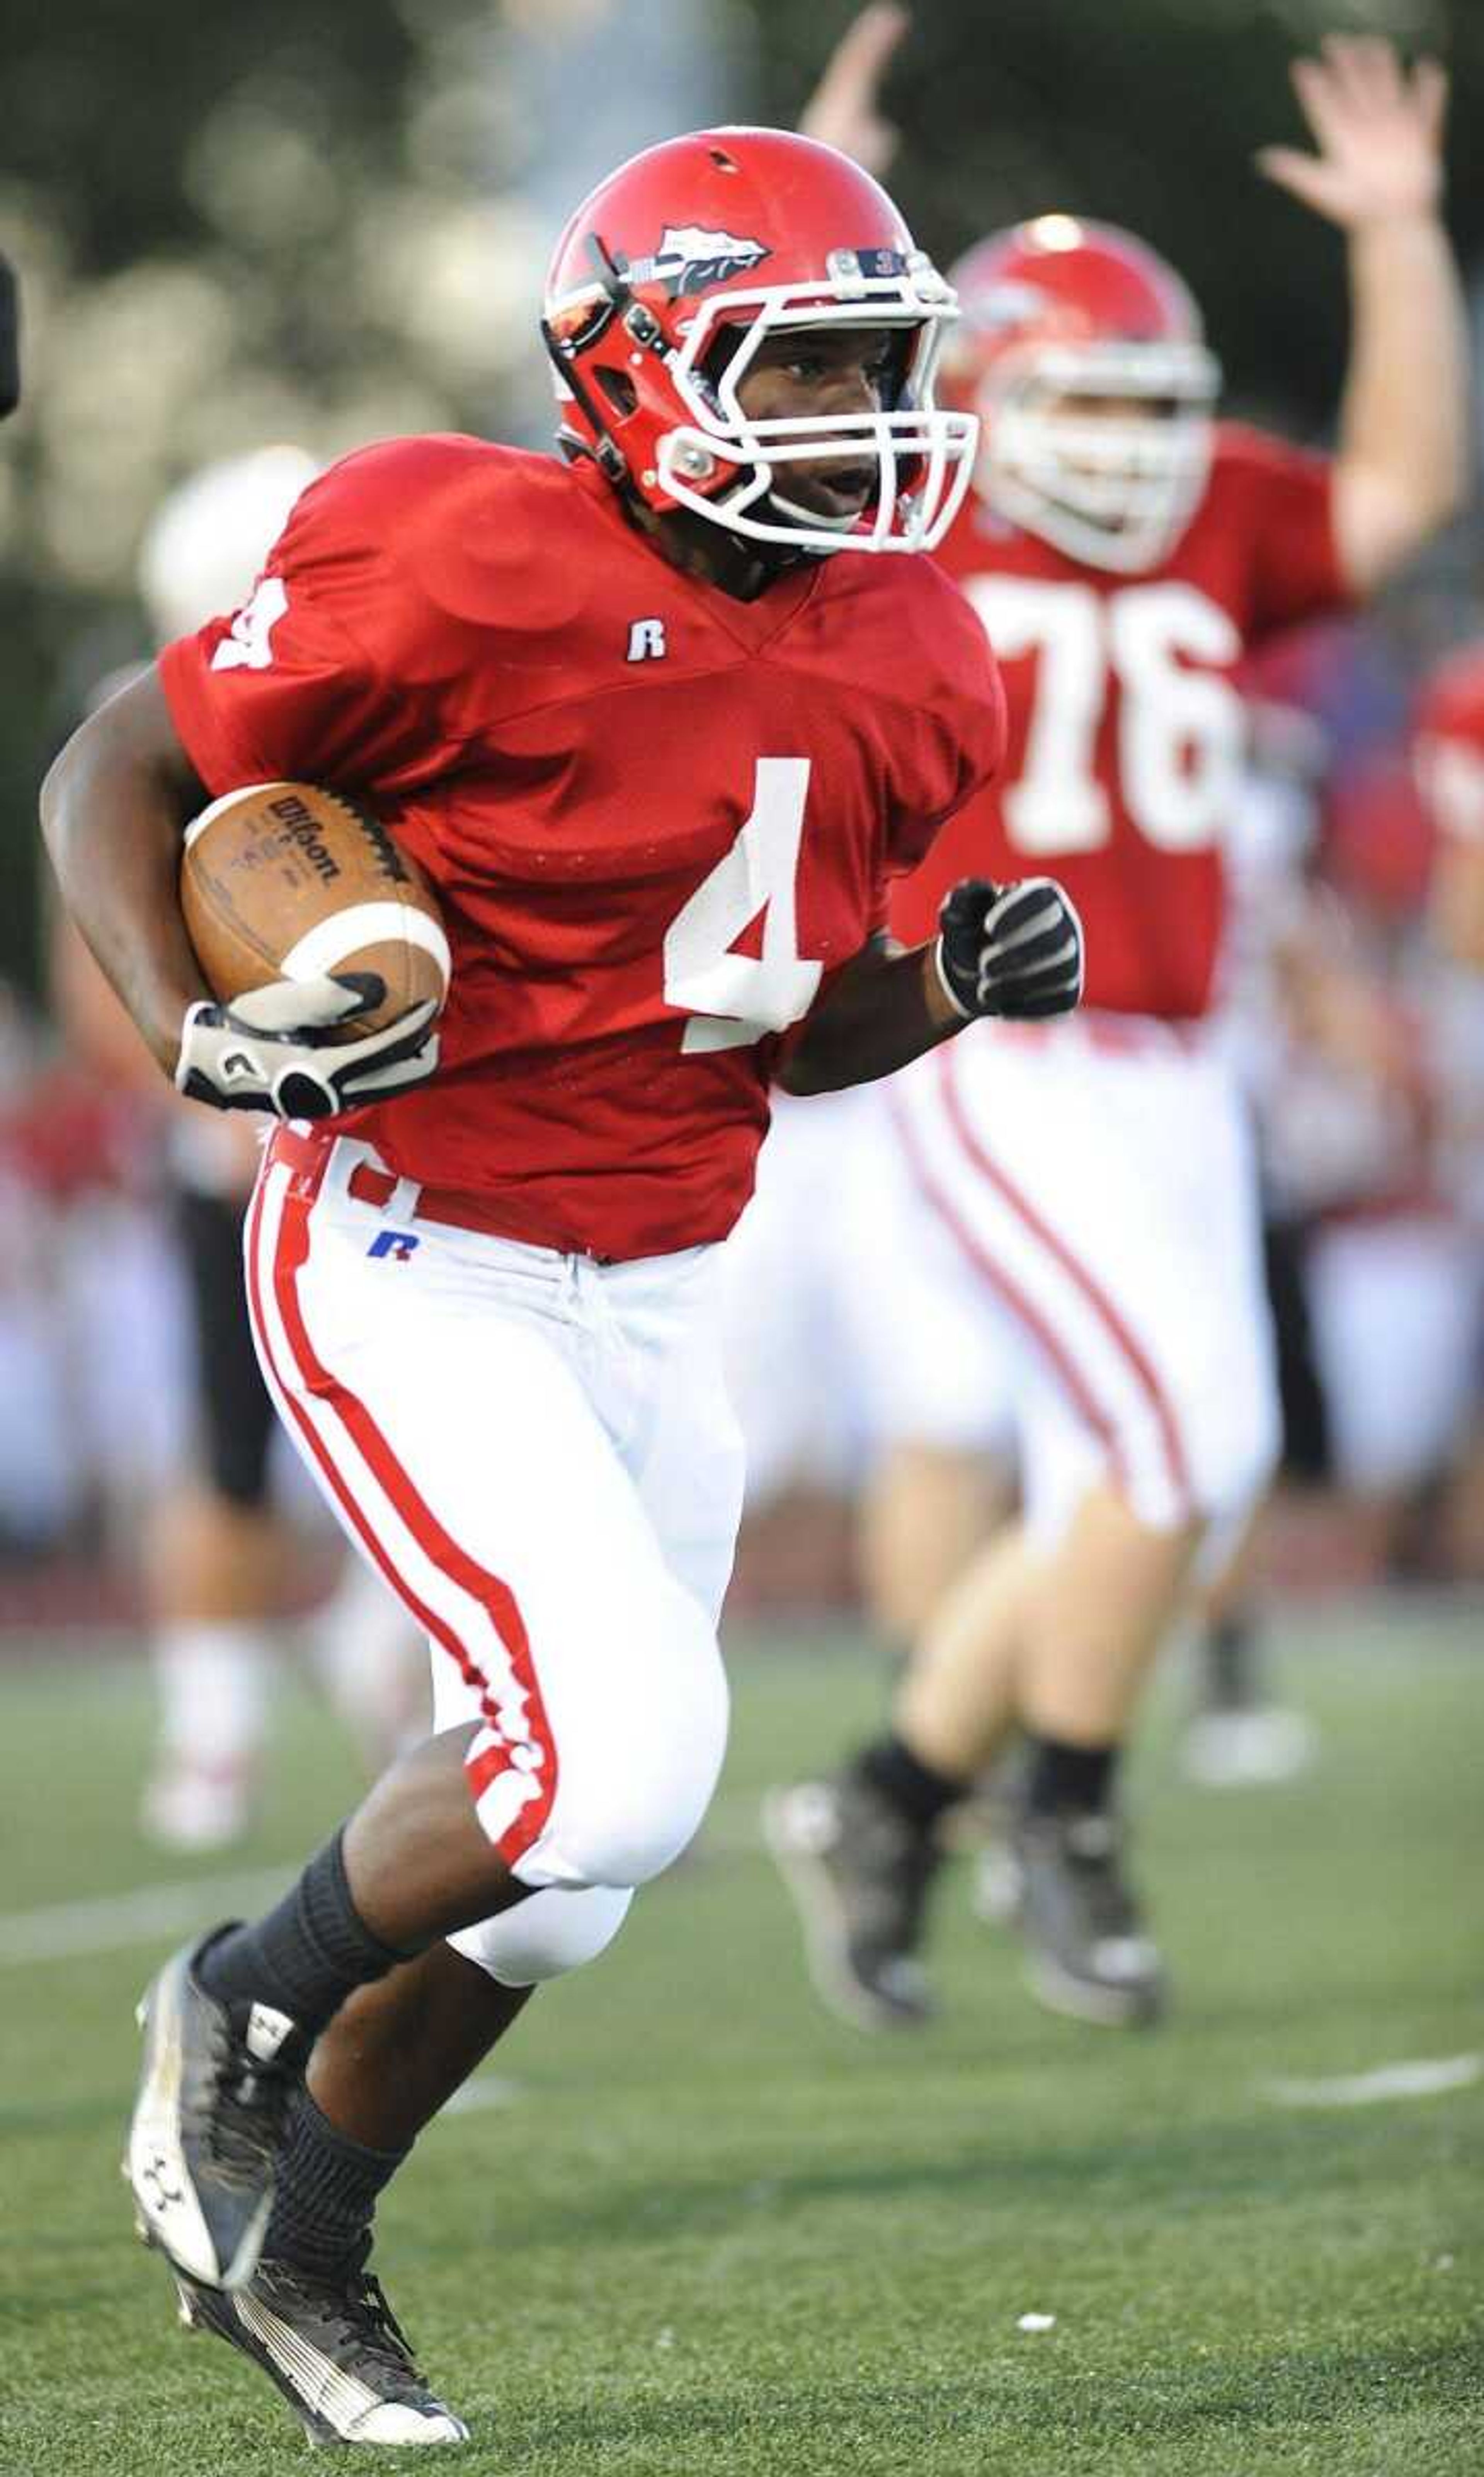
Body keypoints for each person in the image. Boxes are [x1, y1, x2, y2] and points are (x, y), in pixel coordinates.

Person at [43, 128, 1084, 2446]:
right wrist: (185, 1022)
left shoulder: (917, 642)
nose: (853, 413)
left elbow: (791, 1026)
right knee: (612, 1758)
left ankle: (300, 2249)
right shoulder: (450, 542)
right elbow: (120, 753)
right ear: (630, 366)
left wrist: (938, 983)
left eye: (871, 361)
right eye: (794, 360)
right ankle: (229, 2005)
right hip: (413, 1243)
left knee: (567, 1887)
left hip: (657, 1278)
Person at [766, 31, 1469, 2031]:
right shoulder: (909, 508)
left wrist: (1402, 240)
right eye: (1080, 394)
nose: (1127, 439)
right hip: (997, 1042)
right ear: (977, 390)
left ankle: (893, 1801)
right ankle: (1064, 1812)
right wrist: (824, 209)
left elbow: (1400, 489)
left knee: (1168, 1475)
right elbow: (778, 440)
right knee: (1185, 1441)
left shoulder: (1212, 518)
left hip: (1181, 1062)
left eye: (1152, 401)